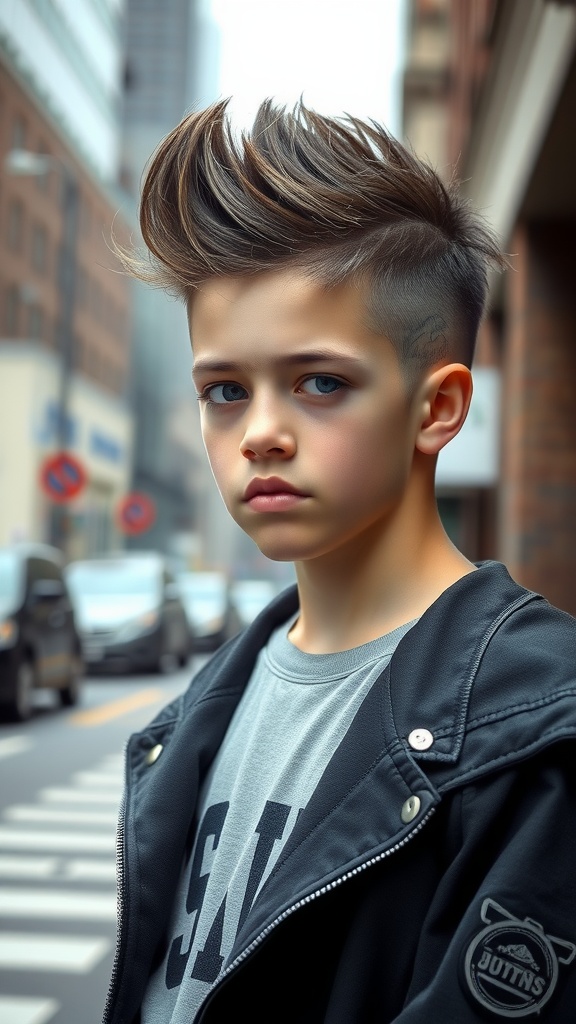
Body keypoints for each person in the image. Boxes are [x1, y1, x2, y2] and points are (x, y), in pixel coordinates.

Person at [102, 100, 576, 1024]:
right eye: (225, 391)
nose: (261, 435)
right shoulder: (201, 709)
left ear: (436, 410)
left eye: (321, 383)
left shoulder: (541, 727)